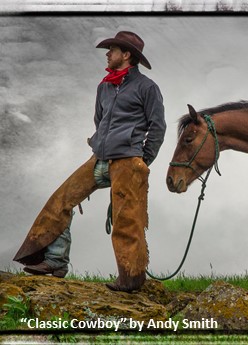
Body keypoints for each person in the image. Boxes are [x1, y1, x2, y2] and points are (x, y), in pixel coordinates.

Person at [13, 31, 166, 292]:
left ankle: (130, 279)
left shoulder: (147, 87)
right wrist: (100, 144)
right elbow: (99, 120)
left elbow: (157, 127)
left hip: (129, 161)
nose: (107, 54)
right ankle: (55, 261)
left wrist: (142, 161)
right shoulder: (104, 87)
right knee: (62, 199)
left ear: (126, 55)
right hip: (100, 158)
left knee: (126, 219)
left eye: (112, 50)